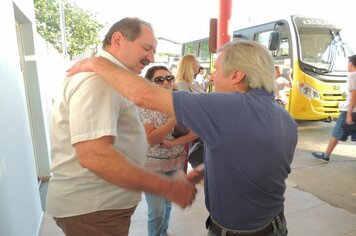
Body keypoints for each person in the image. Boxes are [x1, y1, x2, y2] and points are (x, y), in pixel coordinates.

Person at [67, 39, 298, 235]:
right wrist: (203, 171)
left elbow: (142, 95)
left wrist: (97, 62)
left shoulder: (231, 106)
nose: (211, 78)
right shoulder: (282, 115)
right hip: (274, 222)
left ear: (237, 75)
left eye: (216, 70)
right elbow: (251, 157)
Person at [46, 17, 196, 236]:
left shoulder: (111, 76)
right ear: (117, 40)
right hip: (94, 209)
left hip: (101, 207)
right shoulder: (97, 80)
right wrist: (165, 186)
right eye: (146, 48)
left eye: (154, 51)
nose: (151, 58)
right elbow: (94, 155)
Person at [140, 66, 197, 236]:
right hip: (152, 168)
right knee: (156, 211)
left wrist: (174, 143)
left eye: (169, 78)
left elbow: (196, 131)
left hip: (176, 163)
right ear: (149, 83)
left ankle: (162, 233)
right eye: (159, 79)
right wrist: (174, 119)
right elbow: (151, 138)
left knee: (168, 205)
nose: (166, 82)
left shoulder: (181, 102)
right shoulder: (145, 106)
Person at [312, 55, 356, 162]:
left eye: (348, 62)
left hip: (349, 111)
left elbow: (354, 95)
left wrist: (349, 114)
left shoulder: (352, 77)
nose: (347, 65)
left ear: (351, 63)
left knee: (336, 134)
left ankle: (326, 156)